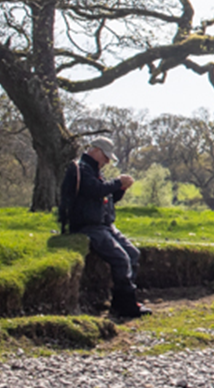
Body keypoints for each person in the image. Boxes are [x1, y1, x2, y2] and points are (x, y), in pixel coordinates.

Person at [61, 136, 151, 318]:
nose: (108, 161)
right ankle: (125, 305)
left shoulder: (95, 172)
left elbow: (106, 198)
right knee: (121, 259)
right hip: (87, 226)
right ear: (95, 151)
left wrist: (120, 189)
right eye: (106, 156)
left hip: (105, 225)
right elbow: (94, 190)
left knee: (132, 254)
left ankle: (122, 301)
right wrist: (118, 182)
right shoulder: (80, 169)